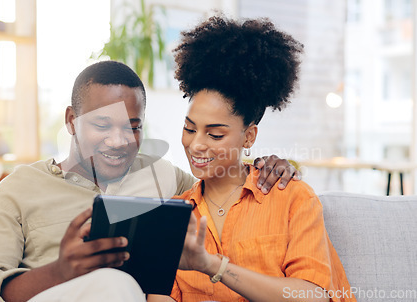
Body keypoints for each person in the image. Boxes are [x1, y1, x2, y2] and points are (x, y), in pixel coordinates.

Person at [0, 60, 299, 302]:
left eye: (133, 126)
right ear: (71, 121)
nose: (120, 141)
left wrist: (272, 165)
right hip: (61, 294)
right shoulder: (18, 188)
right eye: (103, 125)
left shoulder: (164, 175)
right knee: (111, 284)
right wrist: (61, 271)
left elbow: (223, 184)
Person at [148, 16, 356, 302]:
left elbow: (312, 295)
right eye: (189, 129)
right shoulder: (175, 214)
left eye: (215, 135)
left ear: (249, 137)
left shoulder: (291, 198)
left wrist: (212, 266)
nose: (196, 145)